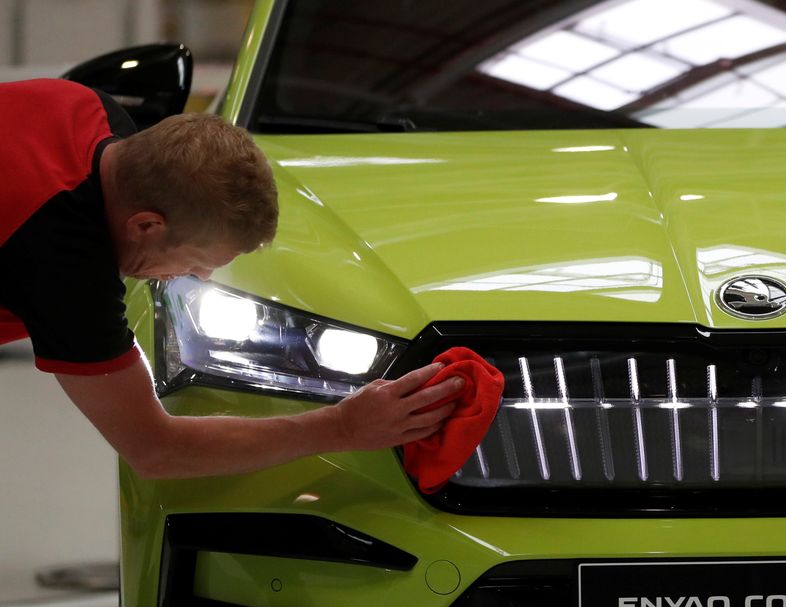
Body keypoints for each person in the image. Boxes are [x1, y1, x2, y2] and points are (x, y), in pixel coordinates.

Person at [0, 78, 460, 479]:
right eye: (196, 262)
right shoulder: (64, 261)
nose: (199, 277)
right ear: (146, 225)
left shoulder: (88, 107)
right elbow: (157, 449)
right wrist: (343, 427)